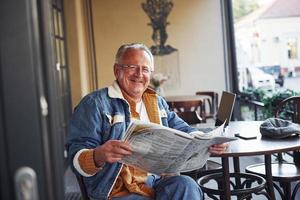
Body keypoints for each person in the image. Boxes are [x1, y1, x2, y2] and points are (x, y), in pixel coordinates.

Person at [66, 43, 228, 200]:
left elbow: (184, 129)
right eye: (132, 67)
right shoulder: (94, 104)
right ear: (117, 70)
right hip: (116, 189)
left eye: (145, 69)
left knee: (186, 185)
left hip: (158, 182)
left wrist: (208, 142)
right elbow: (76, 159)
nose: (139, 74)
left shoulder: (157, 102)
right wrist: (99, 154)